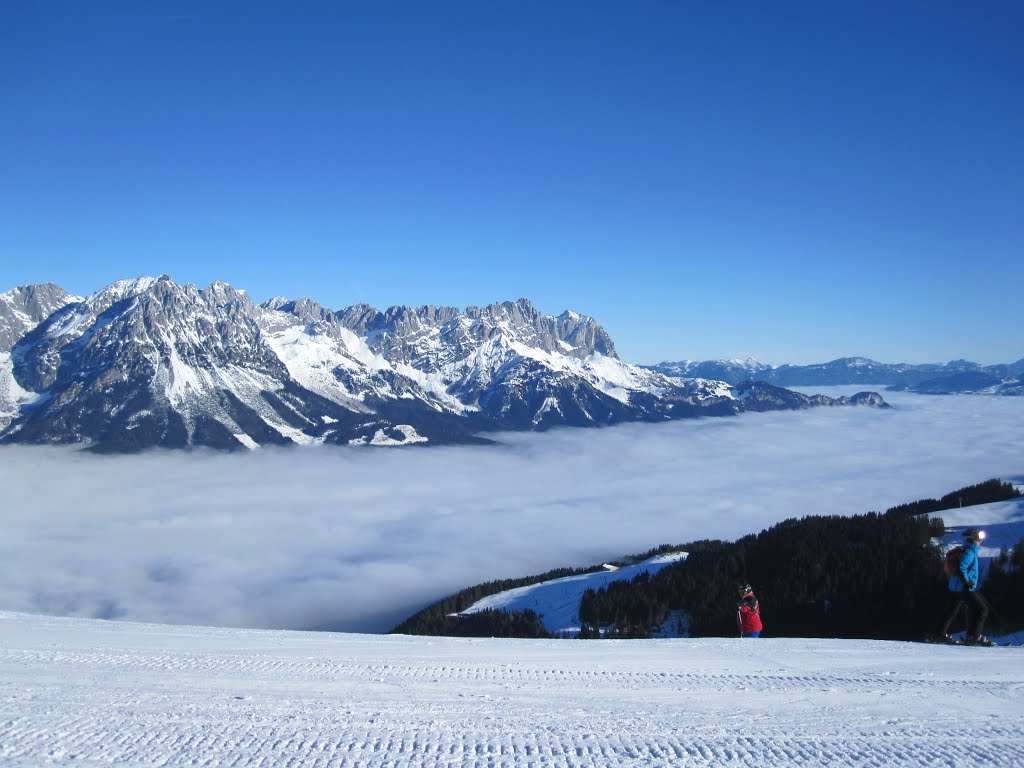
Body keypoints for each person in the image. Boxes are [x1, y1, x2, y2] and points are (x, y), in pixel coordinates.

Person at [940, 528, 994, 647]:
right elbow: (961, 568)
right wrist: (967, 582)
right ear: (973, 539)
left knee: (953, 610)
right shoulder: (969, 552)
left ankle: (939, 634)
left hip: (955, 587)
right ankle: (973, 637)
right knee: (982, 609)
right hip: (963, 587)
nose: (980, 541)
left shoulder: (965, 550)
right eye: (979, 539)